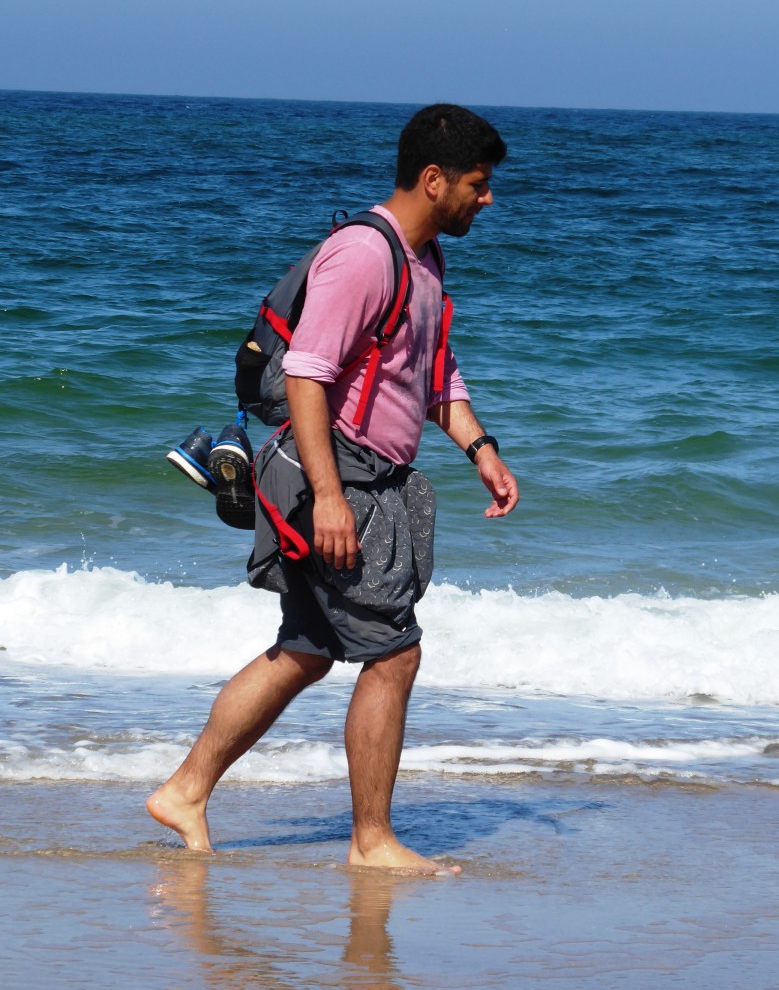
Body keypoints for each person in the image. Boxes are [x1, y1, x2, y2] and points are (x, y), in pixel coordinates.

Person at [147, 104, 519, 872]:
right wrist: (329, 496)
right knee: (395, 655)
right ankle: (371, 841)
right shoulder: (363, 256)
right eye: (478, 185)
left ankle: (186, 790)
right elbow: (308, 375)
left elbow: (432, 372)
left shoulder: (423, 260)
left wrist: (480, 448)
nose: (488, 199)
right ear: (434, 179)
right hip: (336, 474)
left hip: (360, 476)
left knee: (306, 651)